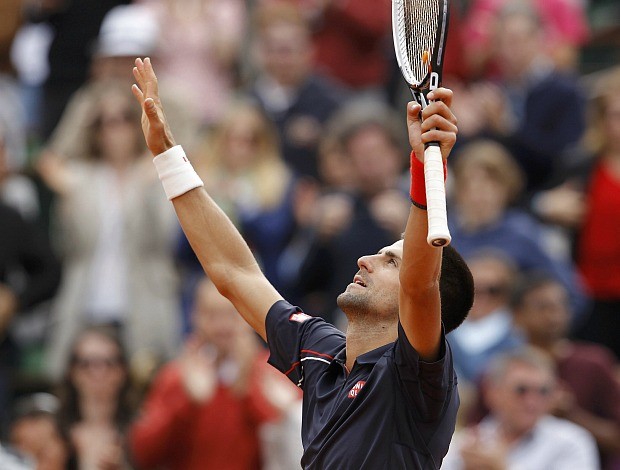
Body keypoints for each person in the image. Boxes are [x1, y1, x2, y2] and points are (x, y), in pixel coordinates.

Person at [131, 57, 473, 468]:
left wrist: (423, 165)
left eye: (389, 262)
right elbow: (234, 273)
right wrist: (167, 154)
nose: (366, 260)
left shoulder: (416, 378)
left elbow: (421, 282)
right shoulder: (319, 353)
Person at [39, 82, 181, 381]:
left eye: (123, 119)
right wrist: (69, 200)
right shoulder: (79, 179)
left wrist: (144, 187)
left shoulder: (156, 172)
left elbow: (162, 239)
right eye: (104, 122)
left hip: (144, 304)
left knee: (146, 394)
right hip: (86, 304)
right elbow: (68, 245)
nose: (114, 129)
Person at [129, 276, 302, 470]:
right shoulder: (176, 375)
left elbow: (297, 447)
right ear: (195, 316)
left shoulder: (273, 371)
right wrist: (186, 399)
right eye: (212, 315)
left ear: (248, 315)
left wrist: (249, 385)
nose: (222, 326)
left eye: (231, 314)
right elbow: (144, 453)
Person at [512, 273, 620, 469]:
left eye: (561, 306)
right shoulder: (502, 368)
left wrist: (571, 415)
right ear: (516, 316)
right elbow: (478, 431)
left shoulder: (594, 363)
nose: (554, 315)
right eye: (543, 307)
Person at [441, 348, 600, 470]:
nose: (532, 401)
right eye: (521, 390)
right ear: (492, 393)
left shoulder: (573, 441)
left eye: (543, 391)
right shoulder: (467, 444)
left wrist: (503, 467)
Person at [55, 325, 136, 470]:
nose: (98, 372)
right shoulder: (54, 432)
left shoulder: (142, 431)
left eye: (108, 363)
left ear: (123, 371)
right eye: (86, 363)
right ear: (72, 371)